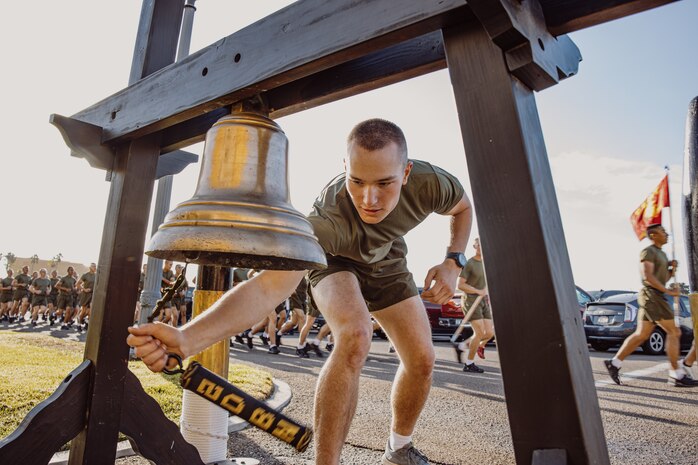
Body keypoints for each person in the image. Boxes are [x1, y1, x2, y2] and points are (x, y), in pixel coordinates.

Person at [128, 118, 473, 464]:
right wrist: (186, 339)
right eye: (356, 181)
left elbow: (463, 208)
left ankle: (399, 449)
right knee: (355, 335)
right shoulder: (327, 222)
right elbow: (266, 289)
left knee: (423, 358)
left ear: (407, 172)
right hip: (333, 261)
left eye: (385, 183)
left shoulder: (431, 183)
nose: (369, 199)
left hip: (388, 261)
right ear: (345, 168)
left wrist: (453, 261)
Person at [604, 224, 697, 387]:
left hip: (654, 295)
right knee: (674, 331)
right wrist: (669, 292)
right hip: (652, 296)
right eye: (663, 232)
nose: (667, 234)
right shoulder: (648, 251)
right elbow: (647, 277)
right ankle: (677, 374)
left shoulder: (661, 253)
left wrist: (671, 271)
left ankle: (615, 363)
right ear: (653, 235)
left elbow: (661, 279)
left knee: (641, 334)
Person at [453, 238, 494, 373]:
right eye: (478, 245)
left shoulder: (487, 263)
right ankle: (469, 364)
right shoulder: (470, 263)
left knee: (489, 332)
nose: (481, 248)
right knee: (479, 332)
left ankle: (463, 345)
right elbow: (460, 285)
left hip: (482, 300)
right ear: (475, 246)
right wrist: (477, 291)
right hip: (471, 300)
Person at [76, 263, 96, 332]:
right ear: (90, 267)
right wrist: (84, 289)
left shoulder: (96, 275)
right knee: (84, 311)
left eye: (95, 266)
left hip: (93, 295)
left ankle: (87, 322)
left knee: (91, 310)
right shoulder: (85, 275)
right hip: (85, 295)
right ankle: (79, 323)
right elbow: (78, 284)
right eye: (93, 266)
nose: (95, 267)